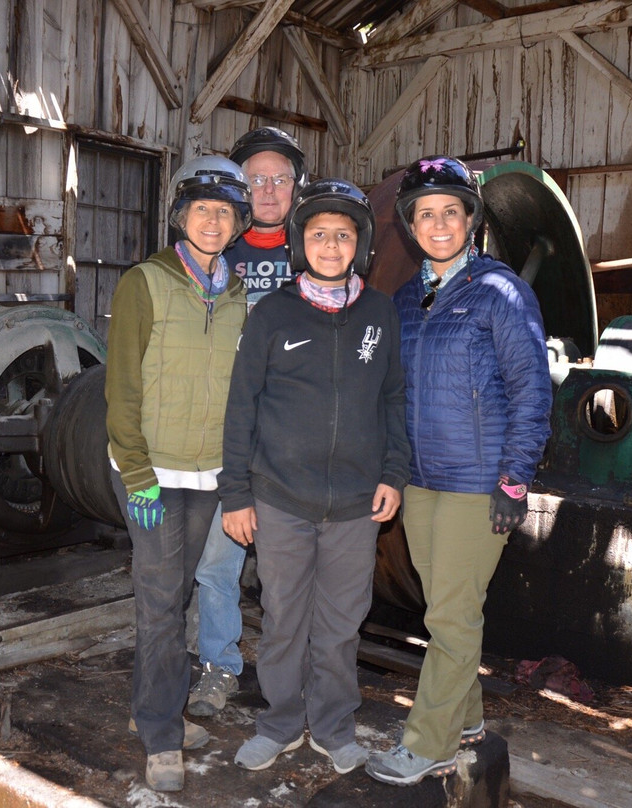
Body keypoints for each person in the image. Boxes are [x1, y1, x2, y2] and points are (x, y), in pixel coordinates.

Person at [364, 156, 552, 785]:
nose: (438, 224)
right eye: (425, 214)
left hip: (478, 486)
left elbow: (532, 392)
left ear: (470, 220)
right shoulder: (404, 302)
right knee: (448, 612)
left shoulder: (501, 292)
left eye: (451, 212)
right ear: (409, 226)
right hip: (420, 483)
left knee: (449, 615)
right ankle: (466, 719)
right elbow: (390, 393)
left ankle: (429, 743)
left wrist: (514, 479)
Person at [219, 179, 411, 774]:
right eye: (320, 234)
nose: (331, 246)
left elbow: (393, 400)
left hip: (355, 505)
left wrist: (393, 475)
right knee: (282, 621)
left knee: (340, 625)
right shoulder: (273, 312)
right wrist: (236, 495)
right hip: (280, 499)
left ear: (361, 244)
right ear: (302, 243)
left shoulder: (379, 312)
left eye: (344, 235)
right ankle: (279, 724)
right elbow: (241, 405)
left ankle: (332, 726)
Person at [105, 155, 252, 792]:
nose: (214, 221)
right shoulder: (146, 282)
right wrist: (135, 472)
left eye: (225, 211)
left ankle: (158, 706)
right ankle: (162, 735)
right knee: (161, 602)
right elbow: (122, 385)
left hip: (209, 474)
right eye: (203, 209)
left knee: (181, 594)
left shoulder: (240, 292)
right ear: (181, 216)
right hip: (153, 475)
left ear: (239, 221)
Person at [188, 127, 308, 717]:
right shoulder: (213, 254)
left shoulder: (319, 248)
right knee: (218, 562)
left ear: (296, 187)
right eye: (254, 179)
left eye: (279, 178)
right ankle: (219, 666)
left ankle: (293, 677)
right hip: (227, 436)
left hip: (296, 440)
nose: (267, 189)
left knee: (292, 569)